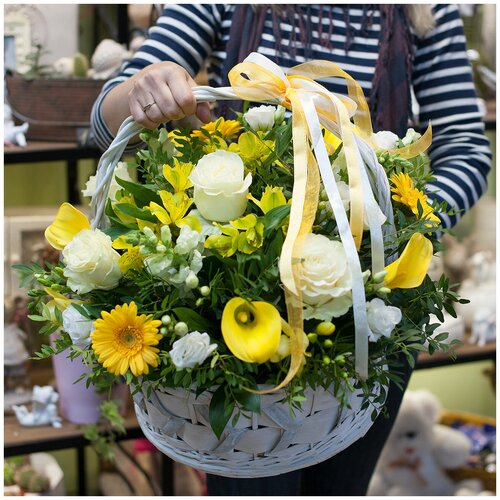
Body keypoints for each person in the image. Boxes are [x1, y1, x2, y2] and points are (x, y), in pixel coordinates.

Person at [90, 5, 491, 495]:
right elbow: (107, 122)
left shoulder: (426, 10)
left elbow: (466, 147)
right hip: (239, 303)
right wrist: (144, 89)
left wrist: (391, 233)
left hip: (370, 312)